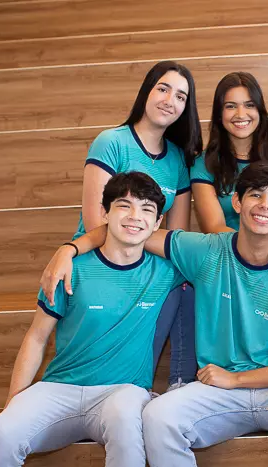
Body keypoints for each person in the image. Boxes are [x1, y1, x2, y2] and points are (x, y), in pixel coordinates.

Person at [40, 162, 268, 467]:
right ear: (237, 202)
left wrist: (237, 379)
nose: (265, 205)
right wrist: (69, 248)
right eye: (256, 195)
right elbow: (129, 231)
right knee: (157, 417)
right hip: (219, 394)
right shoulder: (207, 250)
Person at [0, 172, 185, 467]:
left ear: (157, 224)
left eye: (146, 209)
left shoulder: (166, 271)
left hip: (122, 392)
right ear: (105, 213)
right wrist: (14, 402)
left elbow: (218, 260)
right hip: (60, 388)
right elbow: (37, 337)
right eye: (124, 205)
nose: (134, 216)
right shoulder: (69, 269)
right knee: (2, 433)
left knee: (127, 423)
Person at [76, 60, 203, 387]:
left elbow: (175, 235)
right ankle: (132, 383)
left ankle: (180, 385)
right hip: (102, 253)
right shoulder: (111, 142)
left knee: (190, 276)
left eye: (181, 96)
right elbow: (95, 222)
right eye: (163, 89)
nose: (170, 100)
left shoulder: (177, 158)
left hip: (147, 255)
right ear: (147, 91)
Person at [191, 71, 268, 235]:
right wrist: (250, 248)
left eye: (249, 105)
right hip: (227, 248)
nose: (240, 114)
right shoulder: (203, 162)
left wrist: (266, 246)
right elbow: (214, 227)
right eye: (230, 106)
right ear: (219, 114)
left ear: (260, 110)